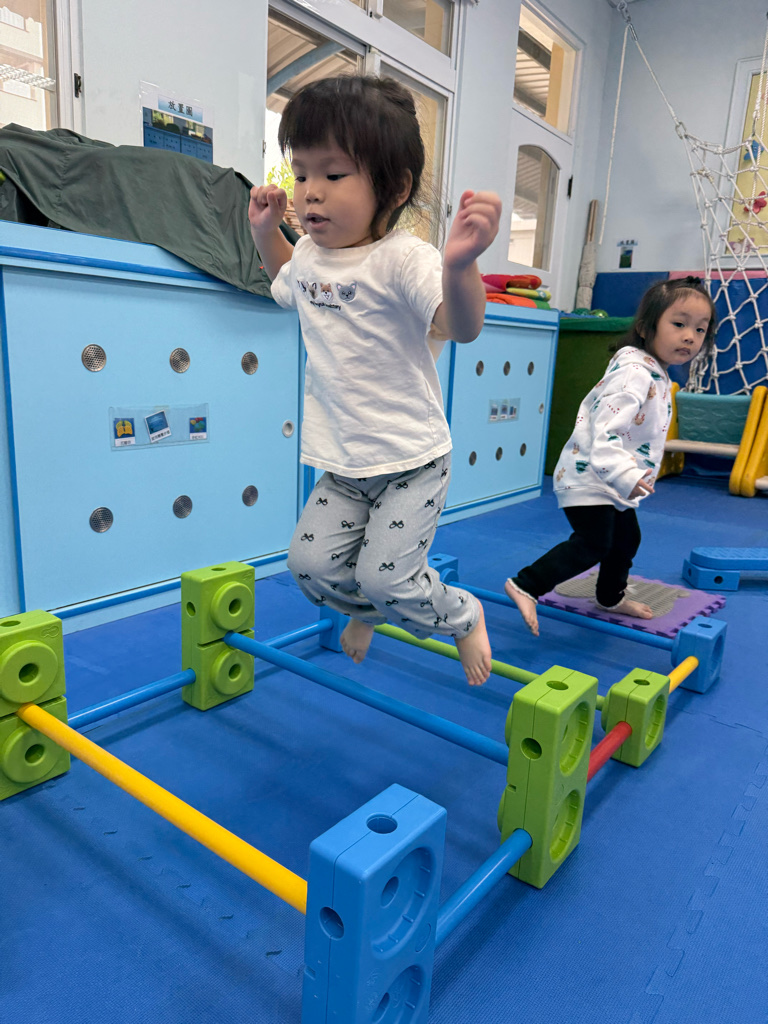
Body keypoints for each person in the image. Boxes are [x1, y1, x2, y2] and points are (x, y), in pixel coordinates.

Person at [248, 74, 501, 685]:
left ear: (395, 186)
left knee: (389, 579)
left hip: (412, 460)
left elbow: (460, 327)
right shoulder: (309, 255)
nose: (310, 191)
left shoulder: (404, 259)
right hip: (346, 463)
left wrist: (461, 265)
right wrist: (264, 232)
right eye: (301, 173)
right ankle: (370, 613)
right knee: (309, 567)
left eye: (334, 174)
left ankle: (463, 614)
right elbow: (285, 281)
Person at [505, 276, 717, 636]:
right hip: (590, 475)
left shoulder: (653, 372)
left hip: (610, 478)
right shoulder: (634, 374)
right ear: (646, 328)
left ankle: (609, 597)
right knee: (593, 544)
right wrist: (626, 475)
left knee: (626, 539)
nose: (689, 337)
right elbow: (604, 433)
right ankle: (526, 584)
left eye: (700, 329)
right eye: (679, 324)